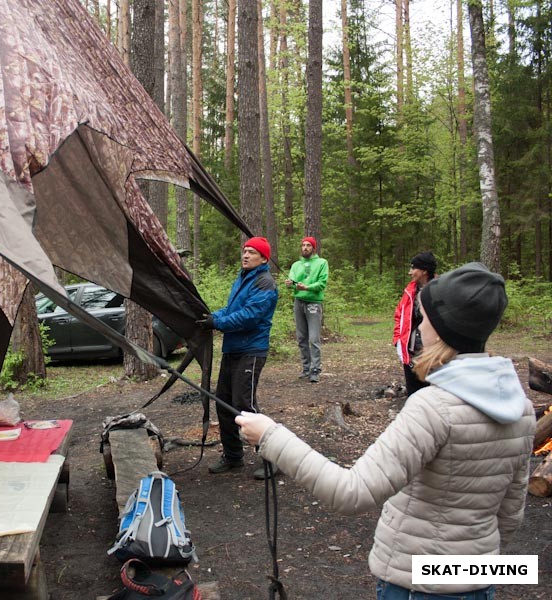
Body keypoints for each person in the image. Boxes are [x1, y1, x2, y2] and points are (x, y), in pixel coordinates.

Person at [236, 263, 534, 599]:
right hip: (479, 583)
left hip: (416, 589)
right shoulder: (520, 407)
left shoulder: (433, 408)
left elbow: (351, 493)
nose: (419, 326)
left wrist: (270, 436)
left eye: (424, 318)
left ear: (444, 327)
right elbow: (510, 516)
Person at [195, 237, 278, 479]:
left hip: (251, 351)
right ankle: (233, 456)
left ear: (263, 258)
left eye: (252, 252)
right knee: (224, 402)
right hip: (232, 349)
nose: (246, 255)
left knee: (245, 405)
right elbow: (232, 310)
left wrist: (218, 322)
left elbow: (249, 317)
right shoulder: (242, 279)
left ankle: (274, 458)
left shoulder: (265, 283)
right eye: (245, 251)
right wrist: (211, 317)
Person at [284, 236, 328, 383]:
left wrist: (308, 287)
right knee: (301, 337)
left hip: (314, 302)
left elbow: (322, 283)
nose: (305, 248)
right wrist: (289, 283)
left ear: (313, 248)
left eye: (308, 245)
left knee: (314, 338)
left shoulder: (322, 263)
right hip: (299, 301)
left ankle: (315, 369)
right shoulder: (296, 265)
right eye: (303, 245)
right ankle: (306, 368)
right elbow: (291, 279)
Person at [393, 252, 437, 396]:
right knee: (414, 394)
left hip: (434, 353)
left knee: (432, 395)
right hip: (411, 351)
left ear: (424, 270)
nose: (410, 272)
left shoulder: (441, 290)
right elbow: (400, 315)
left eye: (413, 268)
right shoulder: (410, 290)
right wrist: (398, 341)